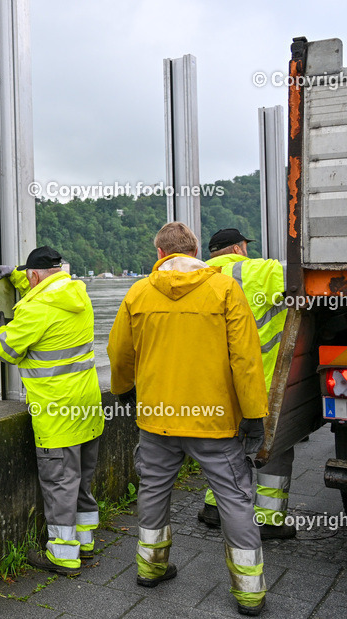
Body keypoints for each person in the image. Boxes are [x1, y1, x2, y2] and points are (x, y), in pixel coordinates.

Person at [108, 222, 269, 616]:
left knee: (153, 489)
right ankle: (249, 591)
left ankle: (150, 568)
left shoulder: (138, 292)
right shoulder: (225, 290)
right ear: (195, 251)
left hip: (157, 417)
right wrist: (254, 415)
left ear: (159, 253)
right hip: (213, 420)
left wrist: (124, 390)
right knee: (234, 498)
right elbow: (246, 360)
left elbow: (118, 353)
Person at [0, 246, 104, 576]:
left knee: (60, 485)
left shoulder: (36, 308)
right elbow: (44, 289)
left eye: (28, 277)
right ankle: (85, 542)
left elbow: (6, 350)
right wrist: (17, 275)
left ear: (35, 275)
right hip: (87, 407)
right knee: (82, 482)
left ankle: (63, 555)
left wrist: (0, 327)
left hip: (57, 414)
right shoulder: (76, 293)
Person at [197, 229, 293, 539]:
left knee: (222, 448)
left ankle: (214, 509)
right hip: (261, 384)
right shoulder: (260, 270)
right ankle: (268, 518)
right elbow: (308, 275)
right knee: (274, 448)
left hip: (214, 387)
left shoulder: (197, 277)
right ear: (240, 247)